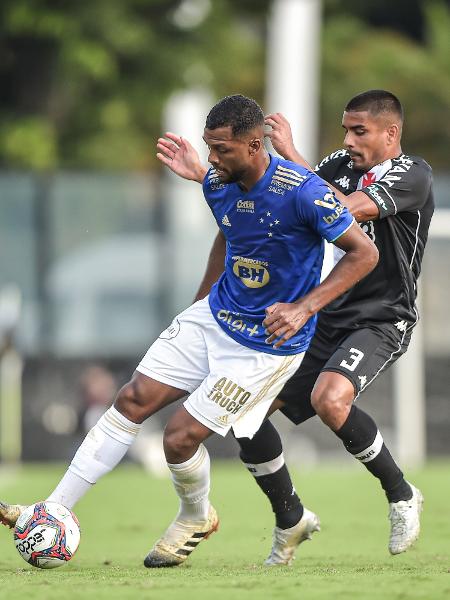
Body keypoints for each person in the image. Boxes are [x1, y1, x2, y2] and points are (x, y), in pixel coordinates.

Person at [0, 95, 378, 568]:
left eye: (222, 149)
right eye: (208, 148)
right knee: (131, 400)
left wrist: (305, 307)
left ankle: (194, 514)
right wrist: (200, 303)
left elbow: (364, 254)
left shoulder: (303, 191)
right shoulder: (217, 182)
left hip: (267, 344)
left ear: (255, 143)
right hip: (214, 316)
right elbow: (229, 233)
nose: (213, 159)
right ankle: (54, 510)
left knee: (178, 439)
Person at [153, 90, 434, 565]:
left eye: (358, 131)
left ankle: (402, 494)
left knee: (330, 398)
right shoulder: (337, 163)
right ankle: (291, 518)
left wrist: (291, 155)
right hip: (322, 307)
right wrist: (207, 175)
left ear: (391, 133)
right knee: (247, 414)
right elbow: (281, 198)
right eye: (345, 129)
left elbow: (335, 208)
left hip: (382, 316)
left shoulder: (413, 174)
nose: (348, 140)